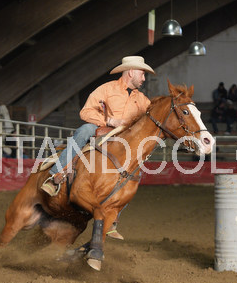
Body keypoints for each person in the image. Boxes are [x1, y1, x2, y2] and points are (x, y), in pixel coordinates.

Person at [41, 56, 154, 197]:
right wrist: (109, 121)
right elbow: (85, 112)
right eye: (142, 74)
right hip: (104, 131)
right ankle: (55, 176)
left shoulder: (143, 101)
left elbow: (152, 119)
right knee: (85, 130)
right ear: (131, 72)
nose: (143, 78)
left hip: (126, 140)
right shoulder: (106, 89)